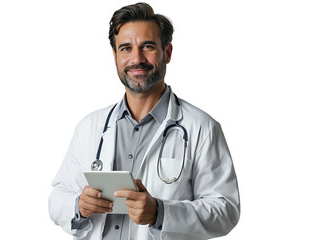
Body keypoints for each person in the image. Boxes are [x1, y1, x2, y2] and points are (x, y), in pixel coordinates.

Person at [49, 2, 240, 240]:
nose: (136, 58)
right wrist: (79, 205)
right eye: (126, 48)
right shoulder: (90, 126)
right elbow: (58, 196)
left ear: (167, 53)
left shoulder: (201, 127)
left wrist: (161, 213)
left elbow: (225, 210)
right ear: (115, 56)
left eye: (147, 46)